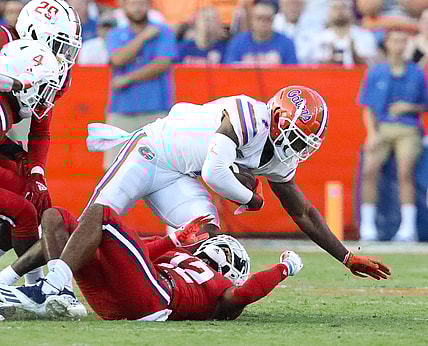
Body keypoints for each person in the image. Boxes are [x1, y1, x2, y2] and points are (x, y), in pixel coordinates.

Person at [84, 84, 391, 281]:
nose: (298, 150)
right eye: (297, 140)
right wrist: (252, 199)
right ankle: (50, 282)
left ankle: (168, 287)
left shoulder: (281, 155)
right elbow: (214, 173)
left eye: (305, 145)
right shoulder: (249, 116)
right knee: (94, 221)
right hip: (151, 150)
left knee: (210, 240)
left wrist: (346, 257)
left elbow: (303, 212)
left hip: (179, 175)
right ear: (279, 120)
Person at [0, 203, 306, 320]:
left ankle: (50, 288)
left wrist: (284, 268)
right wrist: (173, 241)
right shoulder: (181, 257)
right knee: (57, 217)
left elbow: (245, 293)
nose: (220, 249)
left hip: (154, 299)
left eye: (227, 252)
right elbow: (137, 255)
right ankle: (19, 284)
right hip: (120, 296)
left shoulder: (223, 290)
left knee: (101, 214)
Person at [0, 0, 82, 287]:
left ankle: (31, 283)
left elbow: (40, 128)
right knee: (21, 207)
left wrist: (36, 171)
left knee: (33, 196)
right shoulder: (5, 45)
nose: (65, 57)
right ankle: (21, 283)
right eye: (60, 45)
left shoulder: (40, 70)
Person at [359, 29, 428, 242]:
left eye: (402, 41)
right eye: (395, 40)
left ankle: (407, 228)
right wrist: (371, 134)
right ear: (387, 44)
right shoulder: (375, 72)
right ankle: (367, 225)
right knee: (369, 169)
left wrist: (409, 107)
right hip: (382, 128)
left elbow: (425, 105)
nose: (399, 45)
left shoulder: (417, 73)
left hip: (408, 129)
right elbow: (368, 108)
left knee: (405, 170)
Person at [104, 0, 177, 170]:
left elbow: (162, 64)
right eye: (133, 3)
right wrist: (143, 37)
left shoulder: (163, 30)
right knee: (115, 168)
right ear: (123, 6)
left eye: (141, 3)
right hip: (121, 111)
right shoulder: (116, 33)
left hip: (156, 111)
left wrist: (128, 78)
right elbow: (117, 59)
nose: (138, 7)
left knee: (161, 169)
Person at [224, 0, 297, 65]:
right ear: (252, 19)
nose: (263, 23)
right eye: (259, 18)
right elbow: (228, 73)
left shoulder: (286, 43)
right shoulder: (237, 43)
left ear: (273, 20)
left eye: (268, 19)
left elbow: (293, 75)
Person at [312, 0, 378, 67]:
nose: (340, 11)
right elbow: (316, 67)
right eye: (335, 8)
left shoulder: (365, 35)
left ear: (351, 11)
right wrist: (331, 59)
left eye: (344, 7)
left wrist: (354, 54)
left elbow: (370, 67)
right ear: (328, 12)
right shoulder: (319, 38)